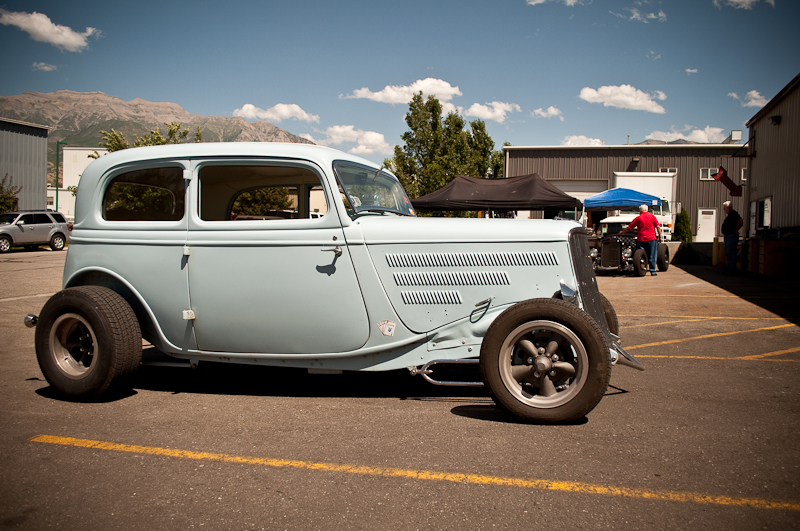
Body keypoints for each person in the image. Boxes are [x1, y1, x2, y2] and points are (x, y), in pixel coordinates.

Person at [620, 204, 661, 276]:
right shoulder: (652, 217)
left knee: (640, 255)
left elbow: (630, 227)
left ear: (640, 210)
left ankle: (640, 268)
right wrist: (660, 237)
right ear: (647, 209)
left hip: (641, 239)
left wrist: (622, 232)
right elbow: (658, 227)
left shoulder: (638, 218)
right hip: (651, 239)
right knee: (652, 255)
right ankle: (653, 271)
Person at [721, 201, 743, 273]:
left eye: (725, 208)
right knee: (729, 253)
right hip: (728, 236)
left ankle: (732, 269)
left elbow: (740, 221)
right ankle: (730, 267)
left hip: (731, 236)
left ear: (729, 207)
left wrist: (736, 229)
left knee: (731, 252)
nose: (724, 209)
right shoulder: (729, 216)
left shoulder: (734, 214)